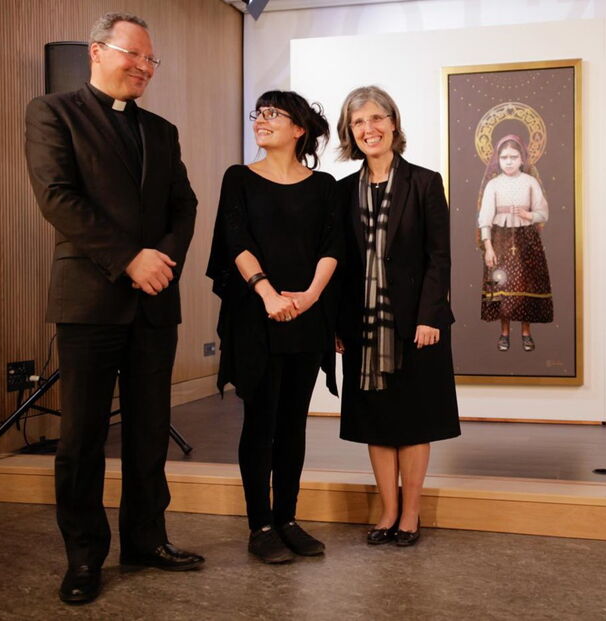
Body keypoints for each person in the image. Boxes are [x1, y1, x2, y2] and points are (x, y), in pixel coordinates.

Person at [24, 12, 202, 605]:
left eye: (153, 61)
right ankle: (83, 556)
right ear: (97, 51)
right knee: (82, 437)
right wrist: (130, 259)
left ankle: (146, 540)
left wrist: (161, 262)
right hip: (90, 299)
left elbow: (185, 203)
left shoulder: (162, 129)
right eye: (135, 56)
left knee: (150, 433)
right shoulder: (52, 112)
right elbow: (57, 197)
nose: (145, 69)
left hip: (155, 302)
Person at [207, 90, 340, 564]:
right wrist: (266, 293)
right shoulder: (239, 178)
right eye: (257, 113)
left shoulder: (324, 185)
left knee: (293, 425)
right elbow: (234, 238)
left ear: (299, 128)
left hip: (305, 316)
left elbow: (332, 246)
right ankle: (260, 525)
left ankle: (287, 517)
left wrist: (309, 297)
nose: (260, 121)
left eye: (272, 114)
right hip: (256, 316)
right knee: (260, 423)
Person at [335, 85, 461, 547]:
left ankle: (411, 514)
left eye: (376, 118)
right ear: (351, 132)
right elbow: (340, 263)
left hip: (415, 326)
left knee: (413, 420)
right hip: (363, 326)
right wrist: (337, 324)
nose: (369, 129)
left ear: (393, 123)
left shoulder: (425, 183)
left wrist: (430, 315)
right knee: (377, 421)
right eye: (358, 122)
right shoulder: (342, 191)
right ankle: (387, 510)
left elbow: (439, 257)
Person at [477, 134, 553, 352]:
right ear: (497, 160)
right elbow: (485, 218)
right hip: (500, 239)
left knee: (524, 285)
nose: (508, 161)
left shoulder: (530, 183)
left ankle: (526, 333)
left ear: (522, 159)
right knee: (503, 285)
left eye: (513, 156)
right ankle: (504, 333)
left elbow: (543, 213)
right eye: (504, 157)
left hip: (526, 240)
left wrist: (528, 216)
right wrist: (488, 247)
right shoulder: (493, 185)